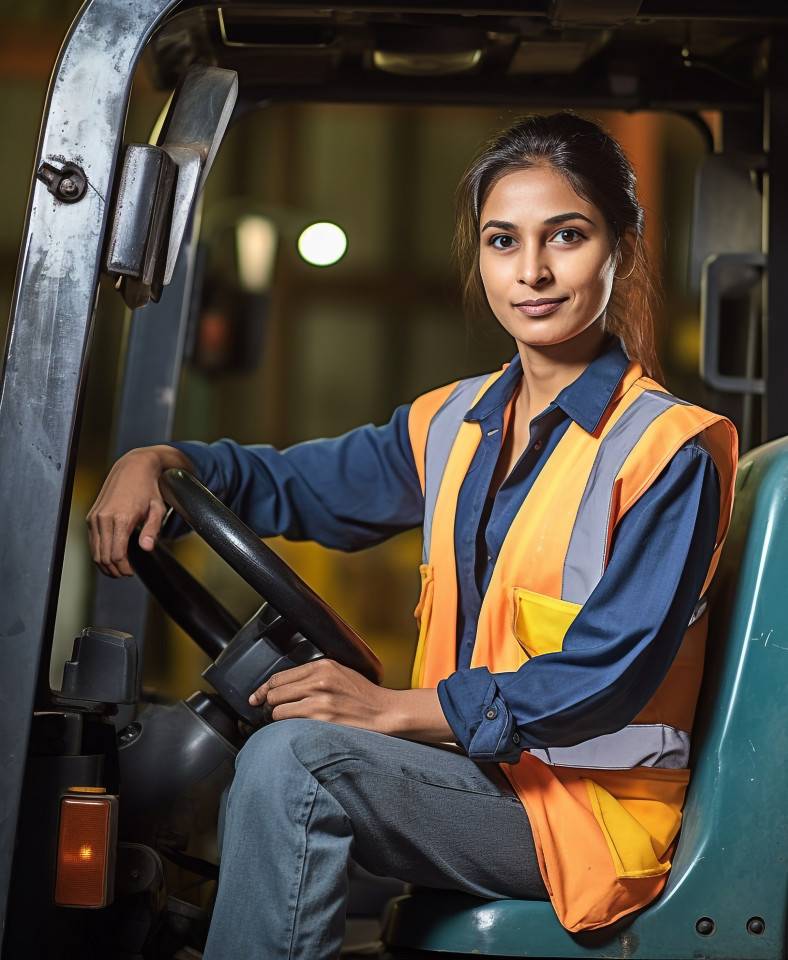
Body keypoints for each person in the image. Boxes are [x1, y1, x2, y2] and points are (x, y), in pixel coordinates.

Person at [87, 112, 738, 959]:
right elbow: (300, 486)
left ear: (622, 245)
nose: (532, 271)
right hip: (479, 777)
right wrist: (166, 459)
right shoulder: (453, 424)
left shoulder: (666, 451)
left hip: (586, 816)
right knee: (272, 752)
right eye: (504, 241)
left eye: (566, 237)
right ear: (480, 256)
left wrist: (394, 711)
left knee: (299, 766)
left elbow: (606, 679)